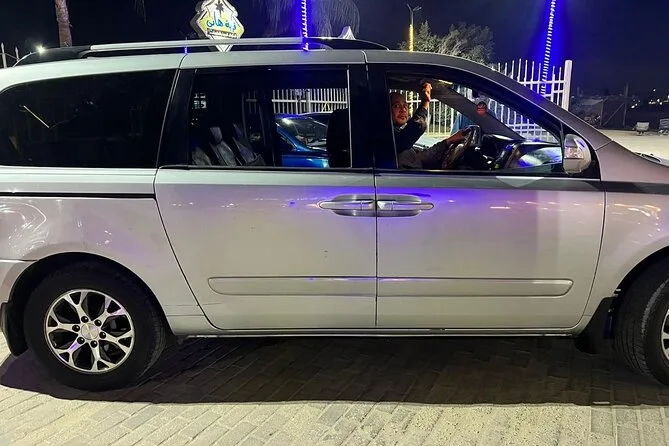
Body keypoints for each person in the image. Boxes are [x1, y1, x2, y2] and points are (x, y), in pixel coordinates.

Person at [391, 82, 432, 153]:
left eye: (405, 105)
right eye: (396, 106)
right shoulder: (385, 135)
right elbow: (405, 138)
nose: (403, 110)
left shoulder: (396, 130)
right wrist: (425, 102)